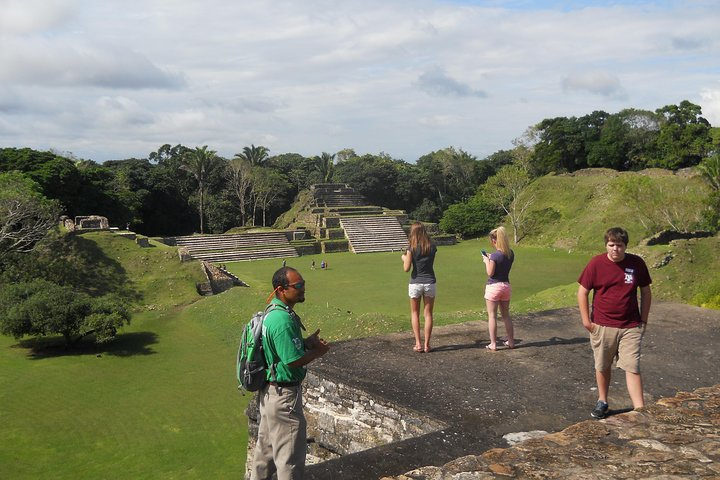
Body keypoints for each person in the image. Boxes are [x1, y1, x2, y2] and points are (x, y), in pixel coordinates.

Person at [252, 267, 330, 480]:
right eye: (298, 286)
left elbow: (281, 350)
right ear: (281, 290)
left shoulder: (273, 312)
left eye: (303, 283)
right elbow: (292, 360)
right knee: (289, 460)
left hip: (269, 393)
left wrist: (305, 343)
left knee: (265, 455)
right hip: (284, 398)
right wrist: (317, 352)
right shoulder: (283, 320)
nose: (303, 288)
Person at [577, 227, 652, 419]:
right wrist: (587, 322)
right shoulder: (596, 263)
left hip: (630, 325)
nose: (615, 249)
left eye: (619, 245)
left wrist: (643, 320)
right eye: (611, 245)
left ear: (626, 246)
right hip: (602, 325)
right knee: (602, 365)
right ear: (606, 245)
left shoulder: (636, 263)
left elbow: (645, 291)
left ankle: (640, 409)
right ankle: (602, 401)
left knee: (632, 366)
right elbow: (582, 292)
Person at [401, 222, 437, 353]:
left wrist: (404, 257)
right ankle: (427, 345)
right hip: (430, 281)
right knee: (428, 314)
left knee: (415, 313)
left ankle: (418, 343)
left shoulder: (412, 247)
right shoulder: (432, 246)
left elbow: (406, 268)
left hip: (416, 282)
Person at [482, 226, 515, 351]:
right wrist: (491, 259)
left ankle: (493, 343)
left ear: (494, 240)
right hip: (506, 285)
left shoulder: (495, 256)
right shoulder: (510, 254)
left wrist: (486, 261)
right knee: (506, 315)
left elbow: (490, 272)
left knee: (492, 316)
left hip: (494, 286)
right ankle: (511, 341)